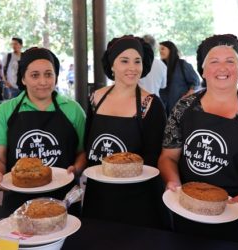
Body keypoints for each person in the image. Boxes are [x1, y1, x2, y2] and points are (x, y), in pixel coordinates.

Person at [158, 34, 238, 246]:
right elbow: (168, 157)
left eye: (230, 61)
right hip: (190, 210)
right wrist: (173, 182)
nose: (222, 68)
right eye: (214, 61)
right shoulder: (183, 107)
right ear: (203, 70)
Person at [82, 35, 169, 229]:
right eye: (124, 61)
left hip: (137, 200)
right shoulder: (96, 98)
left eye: (137, 61)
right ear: (112, 65)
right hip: (99, 194)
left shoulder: (150, 104)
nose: (132, 67)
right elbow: (87, 144)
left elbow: (155, 156)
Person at [0, 47, 86, 215]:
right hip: (18, 202)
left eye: (49, 74)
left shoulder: (73, 110)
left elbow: (82, 152)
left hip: (65, 199)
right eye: (34, 75)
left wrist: (76, 168)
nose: (43, 81)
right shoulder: (4, 111)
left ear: (56, 76)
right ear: (23, 78)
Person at [159, 40, 200, 115]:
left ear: (170, 49)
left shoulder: (182, 64)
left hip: (181, 108)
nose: (160, 51)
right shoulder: (161, 66)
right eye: (159, 49)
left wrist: (188, 95)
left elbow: (195, 81)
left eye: (163, 48)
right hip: (164, 109)